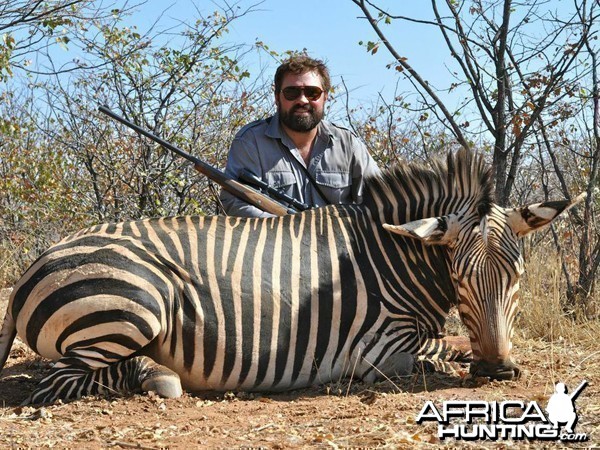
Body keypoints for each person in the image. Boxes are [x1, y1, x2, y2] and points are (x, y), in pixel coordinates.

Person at [220, 55, 380, 217]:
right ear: (277, 97)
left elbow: (380, 201)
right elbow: (235, 204)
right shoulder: (250, 141)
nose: (302, 100)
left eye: (312, 93)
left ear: (325, 97)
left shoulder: (348, 143)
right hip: (273, 240)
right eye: (291, 92)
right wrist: (293, 230)